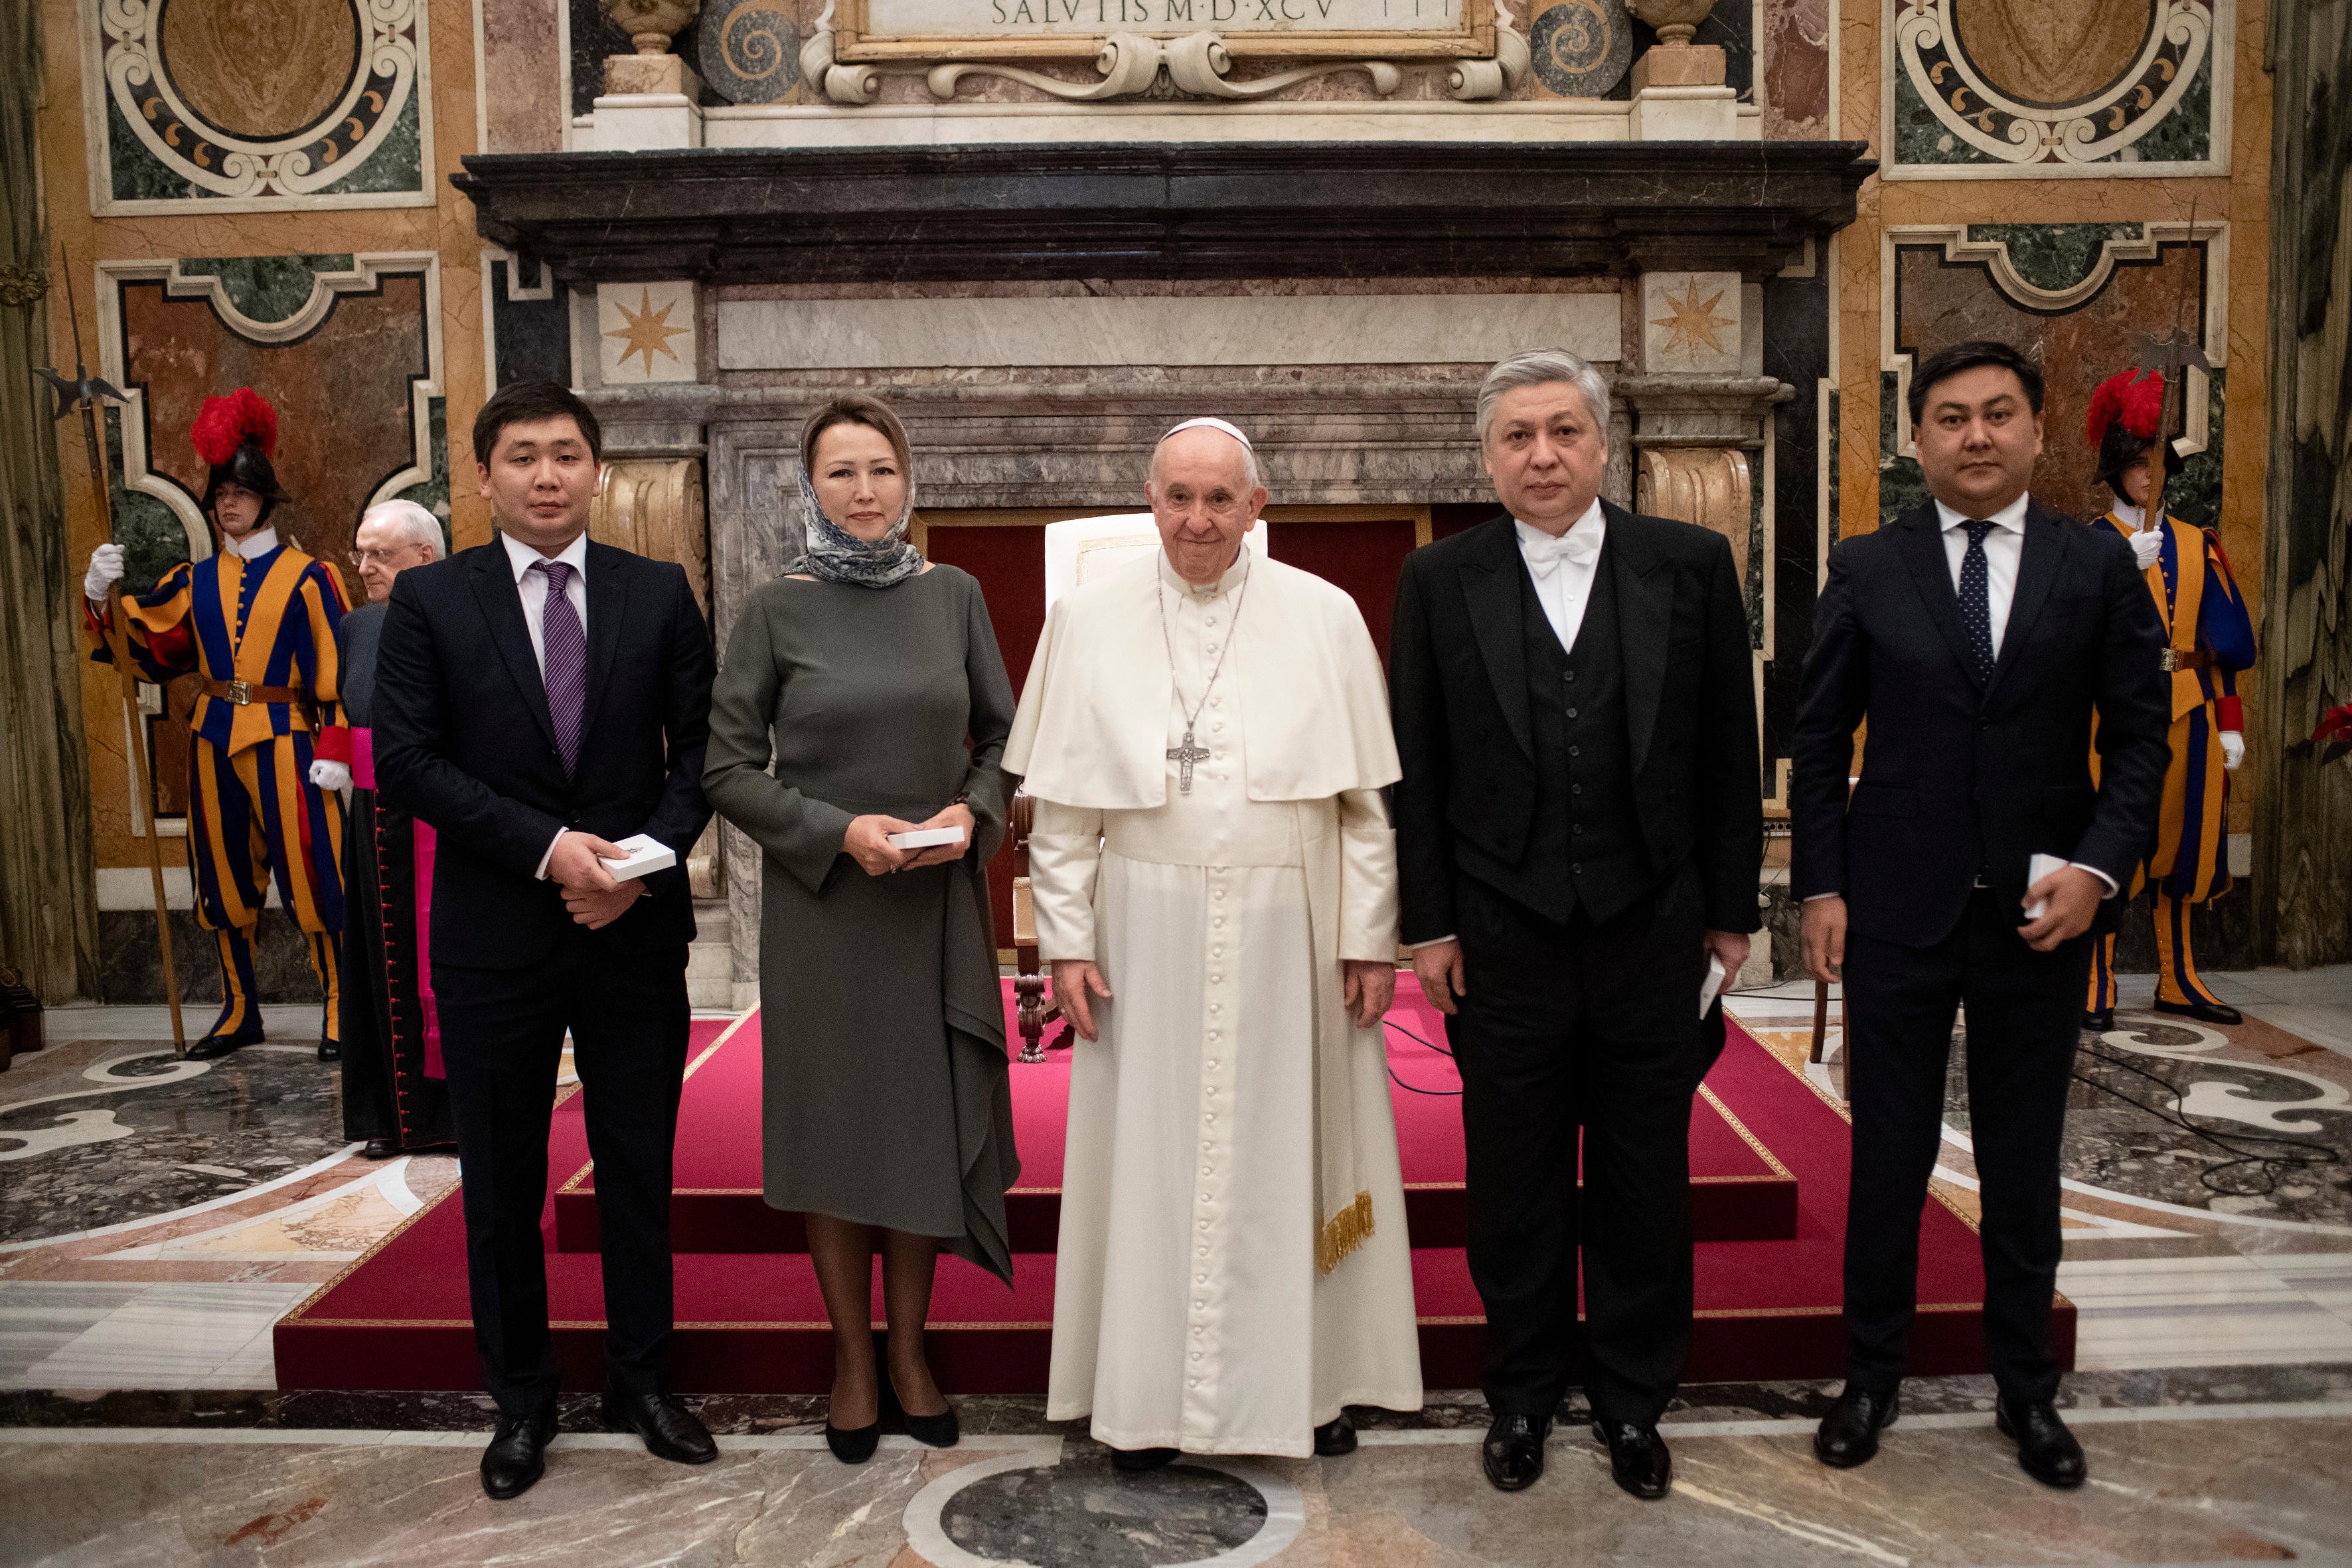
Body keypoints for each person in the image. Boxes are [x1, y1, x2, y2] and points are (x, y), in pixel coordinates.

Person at [1792, 341, 2169, 1488]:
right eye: (1949, 417)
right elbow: (1815, 745)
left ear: (2036, 428)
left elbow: (2141, 741)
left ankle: (2024, 1389)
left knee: (2018, 1156)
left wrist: (2098, 871)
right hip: (1896, 908)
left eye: (1996, 414)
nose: (1974, 435)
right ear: (1915, 437)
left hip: (2037, 910)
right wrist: (1820, 886)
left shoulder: (2092, 567)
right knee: (1888, 1157)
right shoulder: (1866, 565)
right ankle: (1869, 1376)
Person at [1010, 416, 1422, 1465]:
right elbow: (1058, 812)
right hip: (1140, 930)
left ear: (1257, 505)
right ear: (1149, 501)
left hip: (1295, 926)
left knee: (1298, 1156)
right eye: (1177, 497)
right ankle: (1142, 1401)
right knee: (1145, 1161)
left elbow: (1364, 808)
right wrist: (1063, 940)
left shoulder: (1322, 617)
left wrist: (1368, 937)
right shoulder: (1087, 618)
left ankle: (1310, 1386)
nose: (1197, 519)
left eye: (1219, 499)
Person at [1388, 348, 1763, 1500]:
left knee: (1648, 1176)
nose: (1540, 455)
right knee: (1514, 1180)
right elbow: (1418, 767)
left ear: (1604, 447)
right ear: (1487, 457)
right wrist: (1429, 925)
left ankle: (1634, 1397)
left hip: (1651, 924)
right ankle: (1521, 1392)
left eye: (1561, 432)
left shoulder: (1689, 564)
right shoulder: (1437, 580)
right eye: (1516, 437)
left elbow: (1723, 751)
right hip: (1502, 932)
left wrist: (1730, 911)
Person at [372, 380, 718, 1500]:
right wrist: (553, 849)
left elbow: (700, 757)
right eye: (521, 456)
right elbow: (408, 762)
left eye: (566, 454)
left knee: (634, 1168)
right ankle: (522, 1401)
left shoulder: (656, 592)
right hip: (494, 937)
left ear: (597, 470)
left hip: (629, 930)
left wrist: (635, 868)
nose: (545, 475)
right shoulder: (431, 603)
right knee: (503, 1180)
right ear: (482, 477)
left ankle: (641, 1380)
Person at [702, 395, 1020, 1465]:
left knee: (920, 1127)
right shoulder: (774, 610)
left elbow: (1008, 741)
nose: (864, 490)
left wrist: (967, 814)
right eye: (840, 472)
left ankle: (913, 1353)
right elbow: (726, 770)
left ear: (908, 476)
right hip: (828, 911)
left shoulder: (956, 596)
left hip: (933, 908)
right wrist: (841, 833)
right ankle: (849, 1356)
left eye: (879, 468)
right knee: (837, 1136)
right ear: (812, 488)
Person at [83, 388, 352, 1061]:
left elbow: (340, 675)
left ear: (264, 495)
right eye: (220, 493)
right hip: (212, 738)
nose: (228, 502)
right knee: (221, 879)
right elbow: (142, 652)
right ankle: (239, 1008)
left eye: (240, 490)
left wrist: (340, 748)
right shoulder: (190, 580)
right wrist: (98, 597)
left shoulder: (311, 578)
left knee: (313, 875)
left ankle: (342, 1007)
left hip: (290, 739)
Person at [2078, 368, 2256, 1031]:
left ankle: (2178, 975)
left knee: (2188, 848)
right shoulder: (2088, 547)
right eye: (2135, 464)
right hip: (2113, 715)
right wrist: (2122, 570)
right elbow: (2063, 635)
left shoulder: (2196, 543)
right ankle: (2093, 976)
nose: (2148, 476)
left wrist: (2230, 724)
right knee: (2115, 843)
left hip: (2192, 709)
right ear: (2115, 471)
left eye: (2157, 462)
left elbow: (2226, 647)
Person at [337, 501, 452, 1160]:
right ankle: (387, 1115)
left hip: (434, 812)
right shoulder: (354, 626)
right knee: (377, 965)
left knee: (435, 964)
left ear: (424, 558)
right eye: (360, 552)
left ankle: (447, 1116)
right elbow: (345, 705)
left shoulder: (456, 615)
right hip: (372, 817)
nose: (364, 566)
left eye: (380, 553)